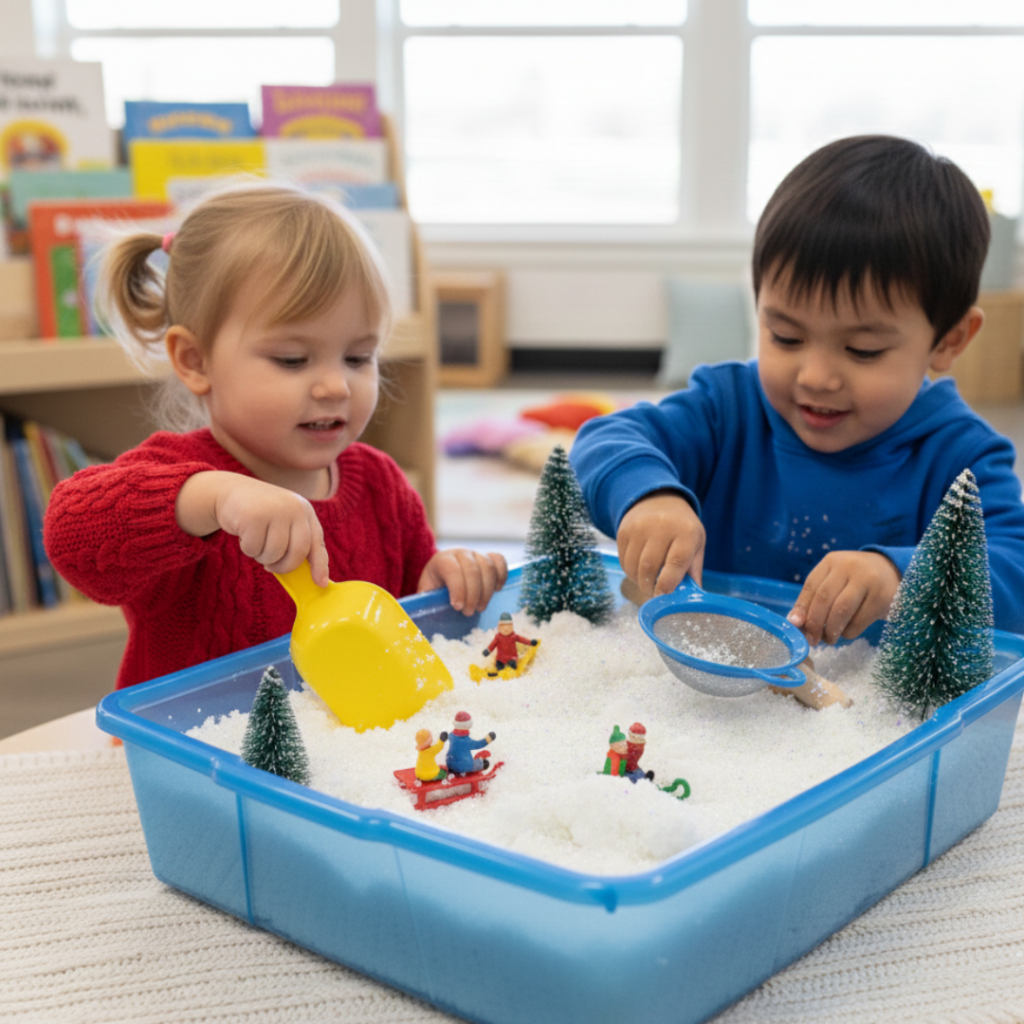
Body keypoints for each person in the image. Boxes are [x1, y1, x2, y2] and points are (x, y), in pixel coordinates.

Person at [43, 181, 507, 689]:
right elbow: (72, 537)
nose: (335, 386)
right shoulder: (176, 476)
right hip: (196, 738)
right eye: (292, 360)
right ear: (195, 361)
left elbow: (406, 624)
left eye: (358, 357)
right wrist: (213, 498)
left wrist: (440, 584)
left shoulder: (382, 485)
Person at [571, 135, 1024, 643]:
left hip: (869, 692)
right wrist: (649, 496)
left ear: (949, 340)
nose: (815, 377)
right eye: (786, 337)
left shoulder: (961, 456)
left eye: (863, 350)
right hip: (709, 673)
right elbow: (604, 441)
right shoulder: (727, 409)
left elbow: (1015, 568)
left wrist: (898, 577)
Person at [444, 711, 495, 776]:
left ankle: (455, 767)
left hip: (450, 763)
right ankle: (465, 770)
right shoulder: (466, 741)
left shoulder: (451, 735)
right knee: (485, 763)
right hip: (463, 766)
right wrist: (488, 739)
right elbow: (478, 744)